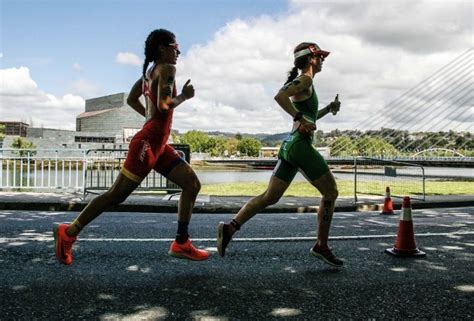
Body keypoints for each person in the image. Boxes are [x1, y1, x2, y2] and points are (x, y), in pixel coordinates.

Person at [53, 29, 209, 265]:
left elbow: (132, 99)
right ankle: (69, 232)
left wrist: (150, 119)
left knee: (192, 184)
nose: (179, 52)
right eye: (176, 47)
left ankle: (182, 242)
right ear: (162, 48)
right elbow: (165, 105)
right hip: (147, 144)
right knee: (116, 195)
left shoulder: (148, 73)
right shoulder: (167, 69)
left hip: (157, 144)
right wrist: (185, 96)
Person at [217, 42, 343, 267]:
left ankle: (230, 228)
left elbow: (309, 118)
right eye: (320, 56)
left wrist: (327, 109)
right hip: (300, 146)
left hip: (289, 146)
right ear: (311, 59)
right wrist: (298, 117)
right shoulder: (305, 79)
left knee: (270, 197)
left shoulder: (307, 84)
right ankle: (321, 245)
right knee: (331, 192)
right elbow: (280, 97)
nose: (323, 60)